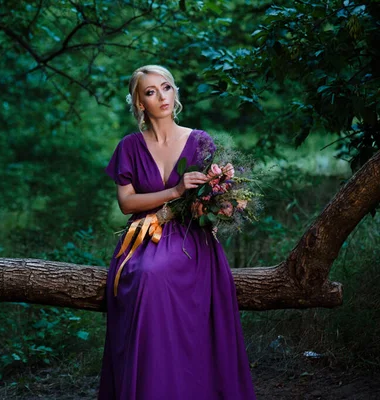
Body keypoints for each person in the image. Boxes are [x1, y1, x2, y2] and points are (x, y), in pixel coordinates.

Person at [98, 65, 257, 399]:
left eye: (166, 87)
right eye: (151, 91)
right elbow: (127, 204)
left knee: (157, 275)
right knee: (145, 273)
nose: (161, 96)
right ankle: (152, 386)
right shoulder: (129, 146)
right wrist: (175, 191)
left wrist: (218, 194)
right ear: (140, 103)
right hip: (145, 235)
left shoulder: (199, 141)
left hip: (190, 239)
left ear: (175, 93)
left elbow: (218, 200)